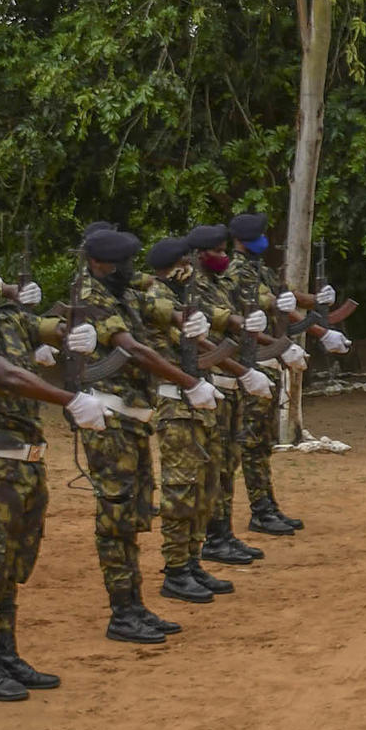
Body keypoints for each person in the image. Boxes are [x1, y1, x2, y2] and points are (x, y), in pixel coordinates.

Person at [0, 243, 106, 699]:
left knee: (10, 567)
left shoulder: (6, 317)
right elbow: (5, 374)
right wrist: (70, 400)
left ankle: (6, 654)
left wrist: (76, 332)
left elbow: (43, 327)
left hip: (25, 461)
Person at [73, 227, 238, 643]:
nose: (129, 268)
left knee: (132, 518)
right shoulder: (92, 296)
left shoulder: (123, 291)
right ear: (97, 264)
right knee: (116, 520)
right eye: (121, 263)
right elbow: (134, 350)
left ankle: (134, 606)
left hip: (133, 419)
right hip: (109, 420)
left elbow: (158, 304)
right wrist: (189, 382)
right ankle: (123, 612)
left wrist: (190, 318)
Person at [140, 234, 230, 603]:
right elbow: (164, 321)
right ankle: (175, 569)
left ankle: (192, 560)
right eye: (186, 264)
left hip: (196, 403)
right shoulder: (157, 297)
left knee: (204, 487)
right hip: (175, 405)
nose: (191, 269)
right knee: (181, 490)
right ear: (176, 267)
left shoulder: (177, 297)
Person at [186, 226, 271, 567]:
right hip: (214, 382)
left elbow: (247, 306)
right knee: (215, 464)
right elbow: (211, 318)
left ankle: (223, 533)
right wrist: (241, 322)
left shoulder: (222, 282)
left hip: (229, 379)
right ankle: (214, 536)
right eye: (218, 252)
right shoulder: (194, 285)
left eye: (225, 250)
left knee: (229, 461)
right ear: (202, 254)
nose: (224, 257)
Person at [226, 212, 312, 535]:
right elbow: (265, 302)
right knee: (251, 442)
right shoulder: (237, 271)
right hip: (251, 361)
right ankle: (260, 509)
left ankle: (267, 505)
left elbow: (284, 297)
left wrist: (316, 304)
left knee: (262, 442)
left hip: (267, 359)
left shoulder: (258, 268)